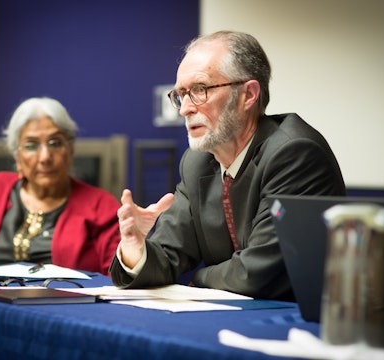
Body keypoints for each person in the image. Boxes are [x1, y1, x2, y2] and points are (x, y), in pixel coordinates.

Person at [110, 31, 346, 300]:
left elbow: (258, 273)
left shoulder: (294, 153)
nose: (184, 108)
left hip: (300, 325)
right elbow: (167, 256)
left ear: (248, 95)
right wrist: (135, 248)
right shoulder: (197, 162)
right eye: (180, 94)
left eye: (200, 90)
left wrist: (198, 278)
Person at [0, 97, 121, 275]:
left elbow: (116, 279)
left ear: (70, 150)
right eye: (31, 145)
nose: (45, 157)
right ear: (17, 157)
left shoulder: (101, 205)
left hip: (65, 303)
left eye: (55, 143)